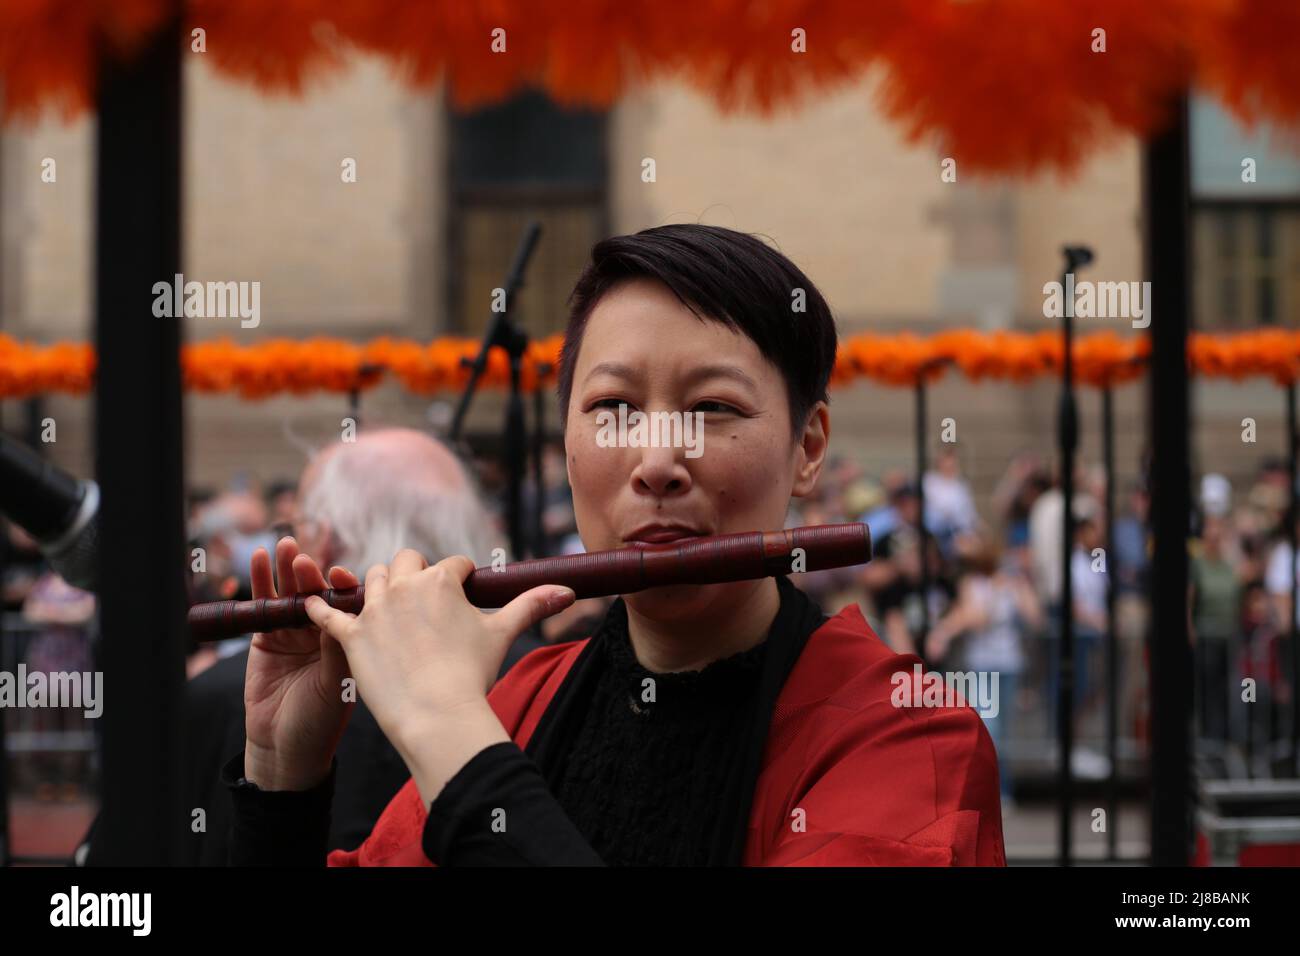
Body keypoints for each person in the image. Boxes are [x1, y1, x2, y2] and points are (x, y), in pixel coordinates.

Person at [223, 223, 1005, 866]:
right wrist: (281, 779)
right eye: (614, 407)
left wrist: (451, 736)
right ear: (565, 443)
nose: (658, 462)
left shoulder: (906, 732)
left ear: (809, 445)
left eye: (711, 408)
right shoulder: (522, 701)